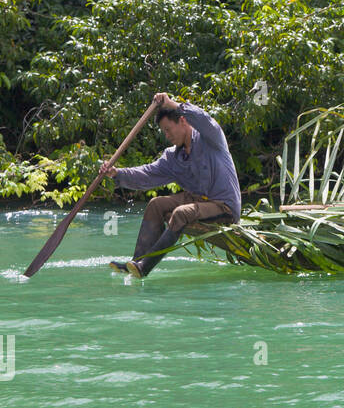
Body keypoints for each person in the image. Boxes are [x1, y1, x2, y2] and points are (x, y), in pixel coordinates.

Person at [102, 93, 241, 278]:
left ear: (182, 121)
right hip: (197, 200)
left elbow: (203, 119)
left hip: (224, 205)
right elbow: (147, 174)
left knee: (181, 213)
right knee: (156, 204)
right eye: (164, 132)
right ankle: (135, 262)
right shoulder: (172, 157)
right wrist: (117, 173)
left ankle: (145, 267)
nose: (167, 136)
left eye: (168, 129)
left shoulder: (211, 138)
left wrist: (173, 104)